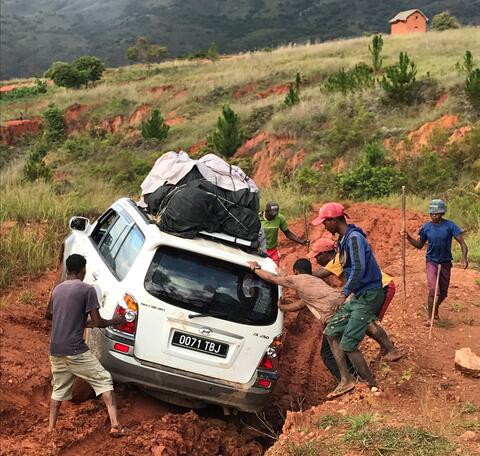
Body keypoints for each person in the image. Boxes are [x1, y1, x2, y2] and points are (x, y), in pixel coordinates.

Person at [246, 257, 397, 391]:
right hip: (346, 306)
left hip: (335, 315)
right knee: (356, 334)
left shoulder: (298, 280)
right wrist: (282, 307)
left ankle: (352, 380)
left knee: (331, 349)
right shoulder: (313, 281)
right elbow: (300, 304)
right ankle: (366, 374)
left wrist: (255, 268)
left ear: (296, 272)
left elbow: (272, 279)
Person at [45, 254, 128, 436]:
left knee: (58, 389)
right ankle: (115, 426)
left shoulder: (57, 289)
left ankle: (51, 429)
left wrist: (74, 319)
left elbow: (49, 315)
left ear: (68, 270)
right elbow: (98, 321)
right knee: (104, 379)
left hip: (55, 349)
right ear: (83, 270)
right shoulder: (87, 290)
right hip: (75, 349)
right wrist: (115, 321)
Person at [313, 203, 385, 398]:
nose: (324, 227)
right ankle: (347, 380)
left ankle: (372, 385)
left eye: (325, 223)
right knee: (331, 331)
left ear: (333, 220)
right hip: (359, 294)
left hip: (368, 294)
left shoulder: (354, 239)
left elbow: (358, 269)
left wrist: (344, 294)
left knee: (348, 344)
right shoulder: (345, 239)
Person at [308, 237, 401, 379]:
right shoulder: (339, 258)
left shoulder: (335, 262)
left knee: (367, 320)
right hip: (377, 287)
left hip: (381, 287)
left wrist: (297, 275)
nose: (316, 261)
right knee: (364, 319)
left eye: (317, 257)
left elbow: (314, 274)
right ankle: (386, 347)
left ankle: (390, 349)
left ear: (325, 254)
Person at [403, 199, 468, 322]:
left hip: (445, 262)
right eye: (432, 213)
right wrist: (408, 237)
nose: (434, 215)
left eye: (437, 213)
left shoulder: (450, 226)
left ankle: (435, 309)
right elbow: (419, 245)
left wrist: (464, 258)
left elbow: (463, 244)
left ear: (442, 213)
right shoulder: (426, 227)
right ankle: (430, 318)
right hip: (431, 261)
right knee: (433, 290)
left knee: (443, 293)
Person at [259, 201, 308, 265]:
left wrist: (300, 241)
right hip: (260, 250)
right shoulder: (258, 218)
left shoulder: (280, 218)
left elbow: (287, 233)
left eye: (275, 214)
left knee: (275, 270)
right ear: (266, 211)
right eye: (272, 215)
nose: (274, 216)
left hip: (273, 250)